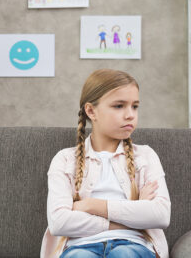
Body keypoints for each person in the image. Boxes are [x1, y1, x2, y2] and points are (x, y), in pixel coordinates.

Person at [41, 69, 170, 258]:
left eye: (135, 106)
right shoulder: (65, 159)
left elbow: (160, 215)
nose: (130, 115)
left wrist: (91, 205)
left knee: (124, 254)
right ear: (91, 111)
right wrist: (136, 209)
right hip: (79, 247)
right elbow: (59, 222)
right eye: (119, 106)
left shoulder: (145, 156)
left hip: (133, 245)